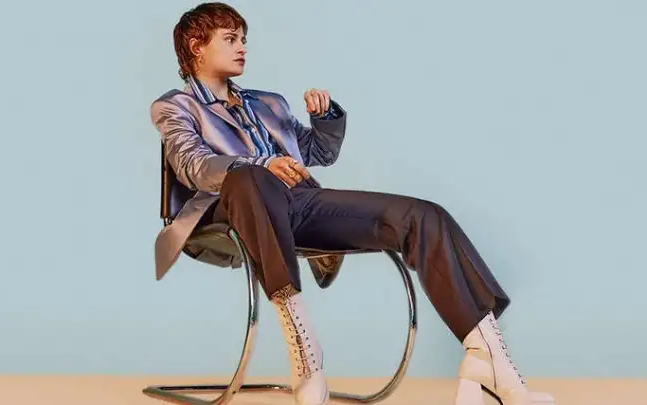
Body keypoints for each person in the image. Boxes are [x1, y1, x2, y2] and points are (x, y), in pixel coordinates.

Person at [149, 3, 556, 405]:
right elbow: (193, 166)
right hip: (229, 209)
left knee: (423, 215)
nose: (242, 47)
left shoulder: (267, 103)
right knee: (250, 179)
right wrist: (261, 165)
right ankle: (305, 350)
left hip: (298, 204)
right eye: (230, 39)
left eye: (243, 39)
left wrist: (325, 117)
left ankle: (488, 358)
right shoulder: (175, 106)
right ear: (196, 46)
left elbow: (318, 154)